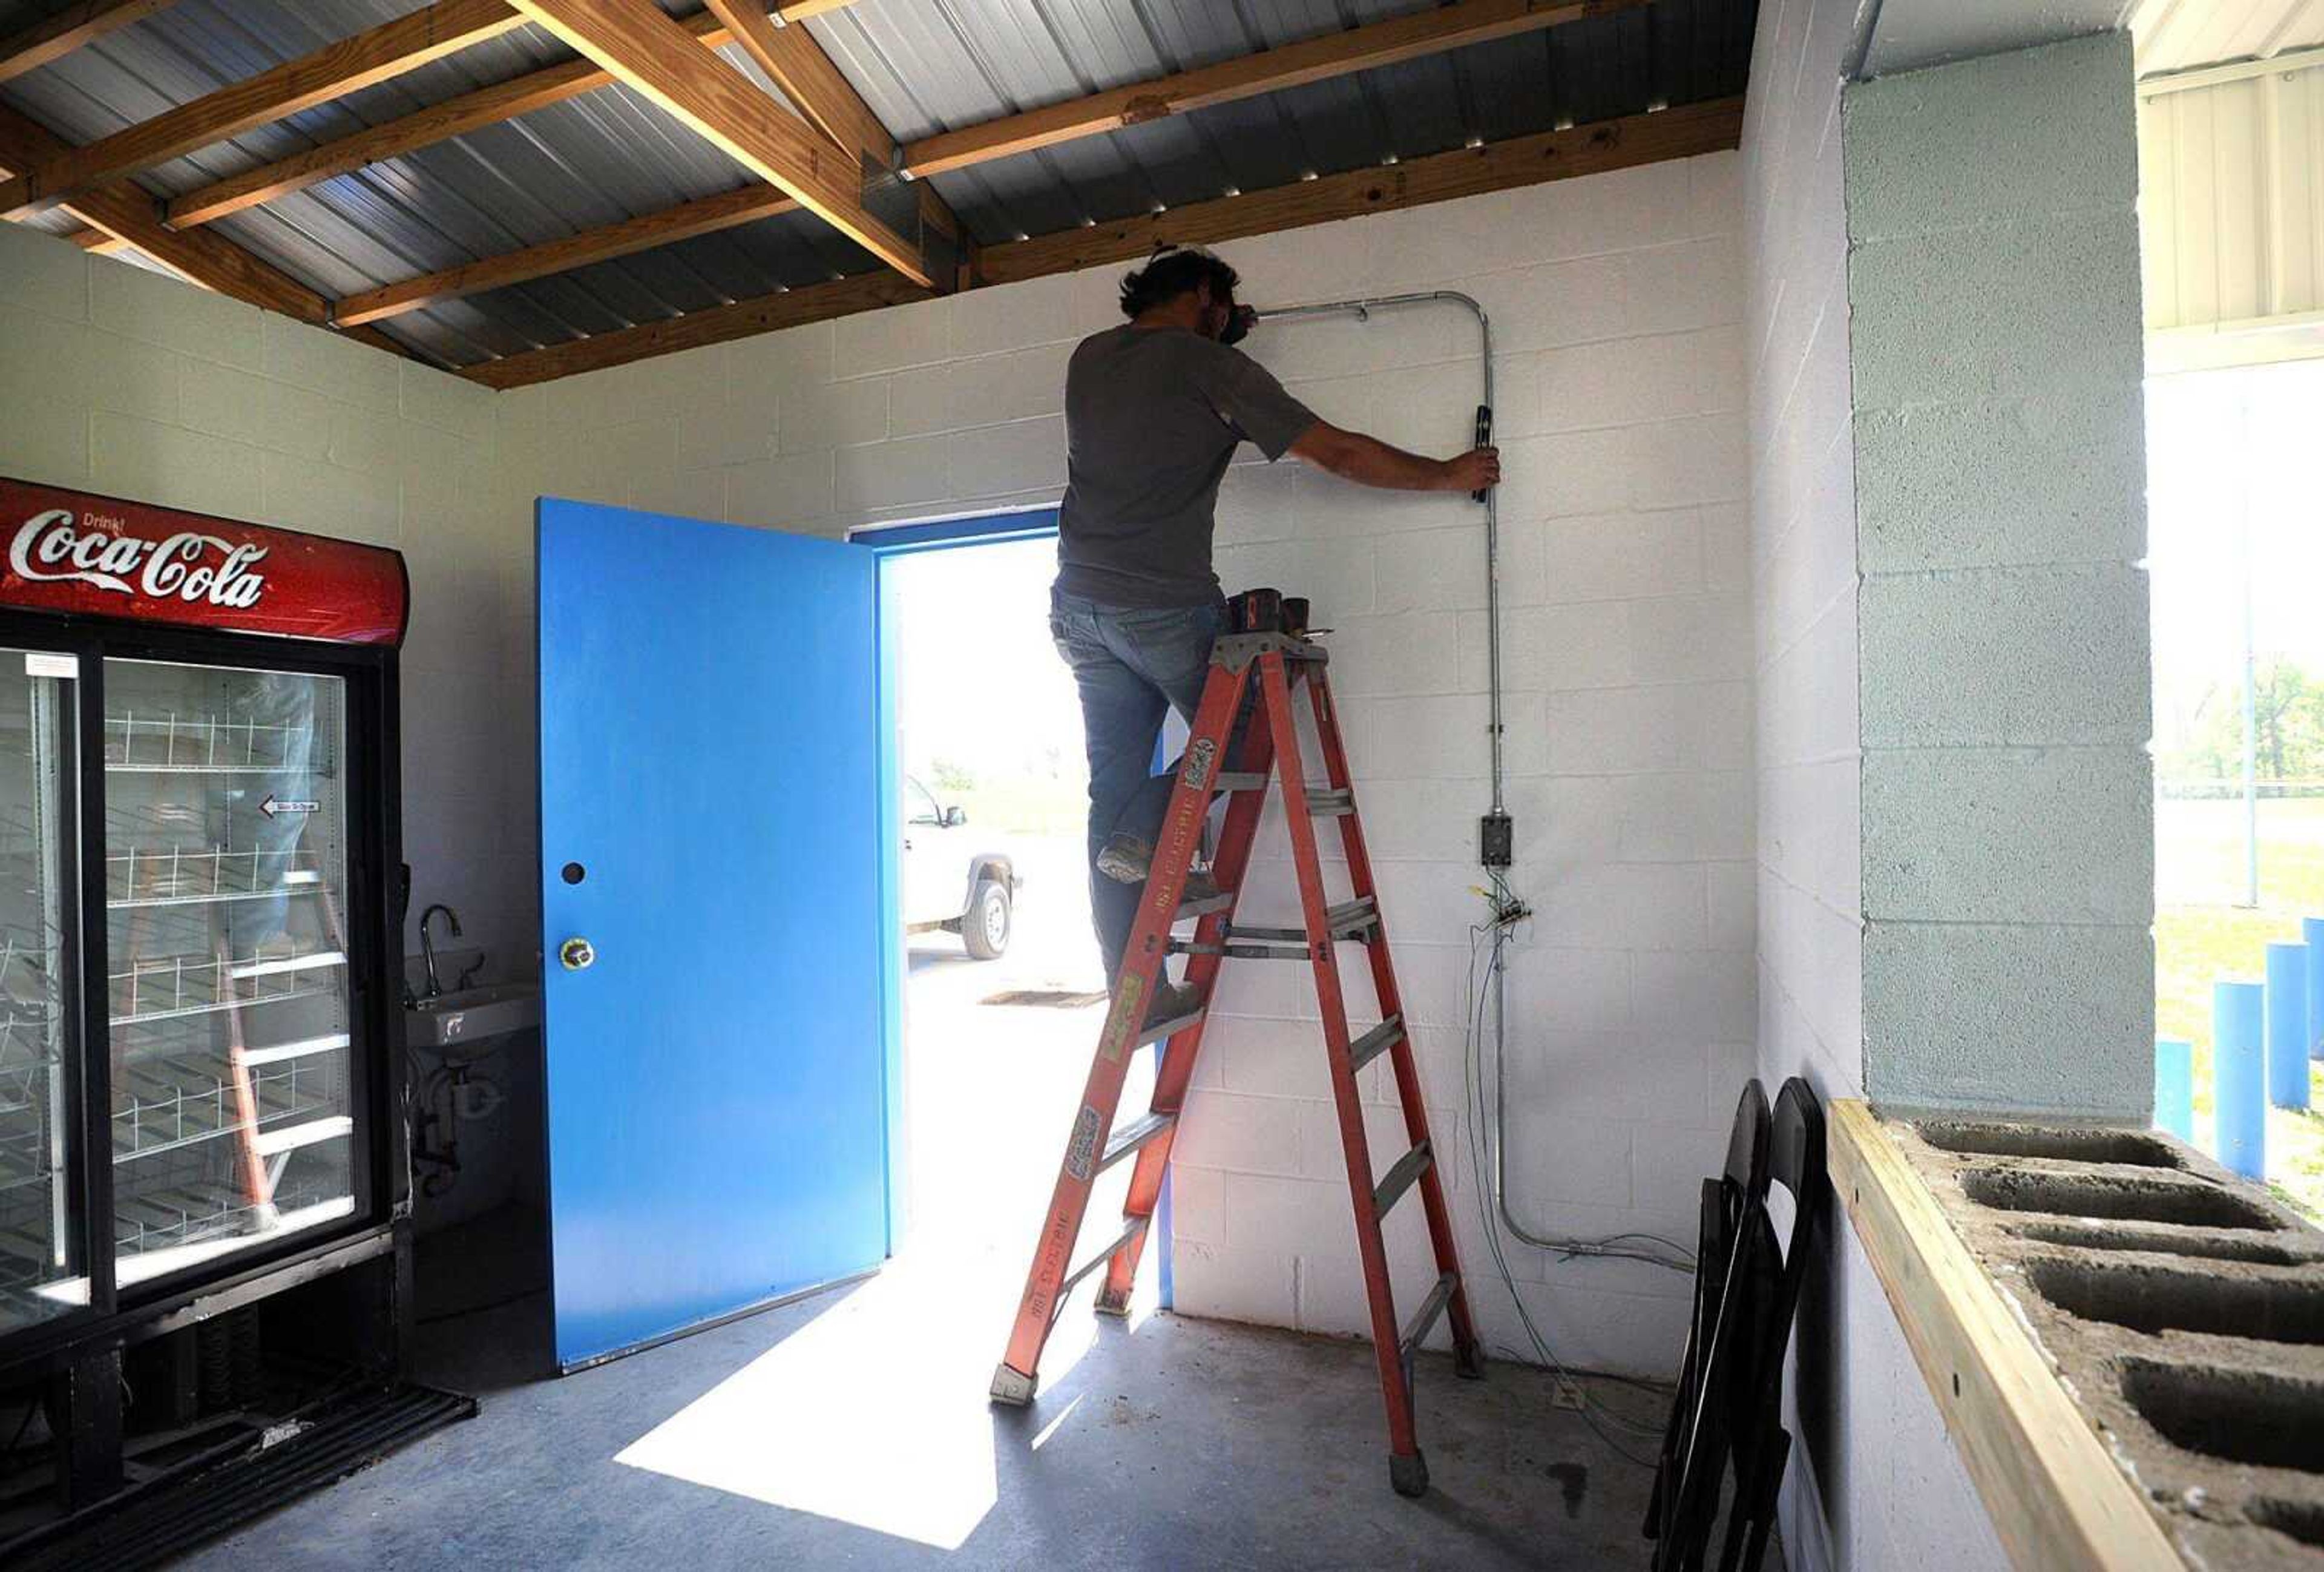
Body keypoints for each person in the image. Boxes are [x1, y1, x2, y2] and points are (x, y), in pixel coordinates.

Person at [1051, 243, 1500, 1018]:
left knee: (1109, 792)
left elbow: (1164, 388)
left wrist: (1221, 336)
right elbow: (1341, 453)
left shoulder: (1089, 359)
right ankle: (1145, 824)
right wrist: (1449, 473)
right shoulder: (1213, 369)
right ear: (1204, 297)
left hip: (1079, 607)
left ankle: (1137, 990)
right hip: (1162, 602)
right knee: (1242, 735)